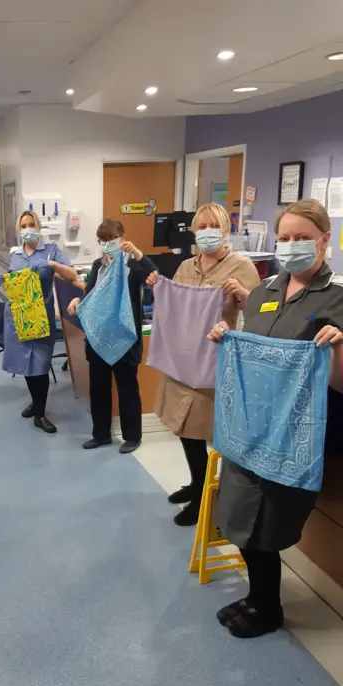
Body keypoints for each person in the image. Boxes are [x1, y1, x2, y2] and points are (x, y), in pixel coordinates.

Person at [207, 199, 343, 638]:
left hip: (293, 435)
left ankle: (269, 608)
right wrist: (227, 338)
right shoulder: (264, 292)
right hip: (250, 429)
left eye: (302, 238)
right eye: (284, 238)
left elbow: (337, 379)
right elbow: (253, 353)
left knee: (265, 524)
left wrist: (339, 347)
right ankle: (257, 596)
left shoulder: (337, 299)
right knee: (240, 517)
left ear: (325, 240)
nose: (290, 246)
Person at [154, 202, 260, 526]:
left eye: (213, 226)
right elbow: (174, 305)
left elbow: (261, 313)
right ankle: (195, 483)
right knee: (185, 429)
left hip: (214, 363)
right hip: (184, 359)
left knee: (200, 427)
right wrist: (158, 288)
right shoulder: (187, 266)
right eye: (200, 227)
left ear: (225, 230)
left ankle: (204, 497)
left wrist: (242, 293)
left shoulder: (240, 265)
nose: (206, 233)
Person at [68, 219, 158, 453]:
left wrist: (139, 254)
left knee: (127, 387)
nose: (107, 244)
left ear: (122, 238)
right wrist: (78, 300)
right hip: (99, 338)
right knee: (98, 388)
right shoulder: (98, 266)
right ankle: (101, 434)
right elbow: (90, 295)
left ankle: (132, 436)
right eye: (103, 240)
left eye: (111, 239)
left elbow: (155, 277)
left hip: (125, 339)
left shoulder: (133, 266)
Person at [0, 211, 77, 434]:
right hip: (18, 318)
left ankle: (40, 414)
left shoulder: (51, 250)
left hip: (41, 318)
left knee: (40, 365)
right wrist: (4, 280)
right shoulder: (15, 254)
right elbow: (13, 280)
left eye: (31, 224)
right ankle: (35, 402)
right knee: (26, 364)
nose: (27, 229)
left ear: (39, 226)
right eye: (23, 225)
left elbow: (71, 274)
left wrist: (52, 264)